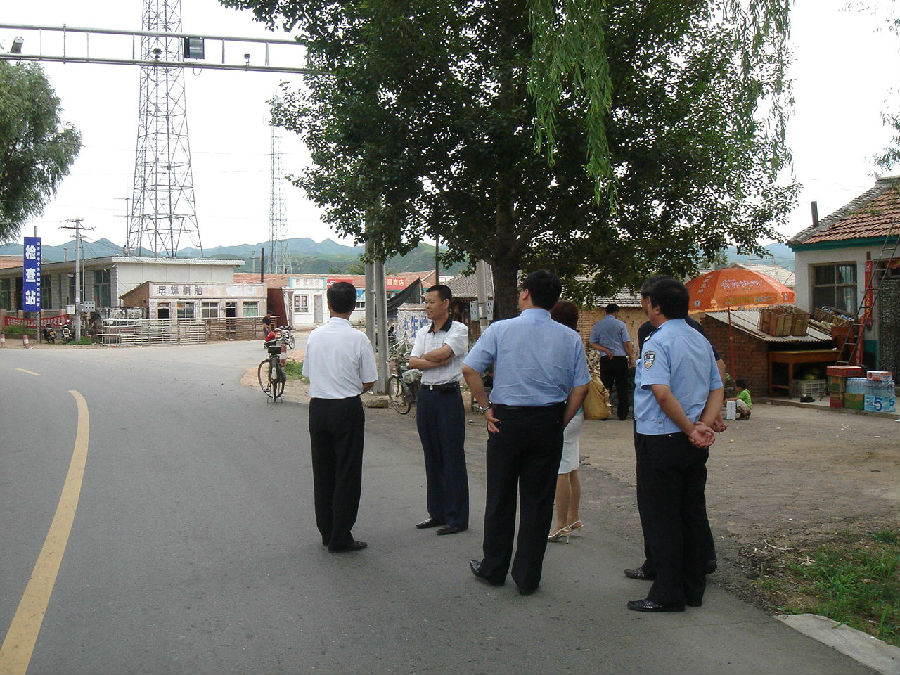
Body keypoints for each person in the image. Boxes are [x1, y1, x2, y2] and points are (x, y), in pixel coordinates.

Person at [462, 270, 590, 595]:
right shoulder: (569, 337)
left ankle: (494, 568)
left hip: (506, 421)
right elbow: (581, 386)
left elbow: (470, 368)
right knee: (538, 501)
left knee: (500, 497)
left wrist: (485, 406)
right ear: (555, 301)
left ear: (525, 293)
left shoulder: (500, 329)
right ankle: (528, 576)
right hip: (548, 421)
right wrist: (562, 419)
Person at [627, 278, 723, 612]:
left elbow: (661, 393)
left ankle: (667, 593)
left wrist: (690, 428)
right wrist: (702, 426)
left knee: (663, 516)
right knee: (690, 512)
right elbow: (717, 387)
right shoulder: (699, 339)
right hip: (692, 442)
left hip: (662, 437)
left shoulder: (657, 342)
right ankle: (693, 588)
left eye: (647, 301)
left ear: (655, 305)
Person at [301, 282, 378, 553]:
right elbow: (369, 379)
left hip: (319, 408)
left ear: (329, 304)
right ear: (354, 306)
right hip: (346, 408)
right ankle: (341, 534)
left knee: (323, 471)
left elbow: (308, 372)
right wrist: (351, 387)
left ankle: (326, 530)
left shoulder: (315, 336)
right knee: (347, 472)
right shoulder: (358, 339)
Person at [408, 284, 470, 535]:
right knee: (431, 455)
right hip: (426, 397)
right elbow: (413, 361)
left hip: (448, 397)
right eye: (426, 302)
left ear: (446, 303)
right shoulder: (423, 332)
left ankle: (457, 518)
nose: (427, 306)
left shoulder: (459, 329)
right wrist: (436, 360)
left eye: (432, 302)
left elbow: (446, 352)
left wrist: (429, 358)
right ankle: (437, 512)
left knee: (452, 456)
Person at [548, 300, 585, 543]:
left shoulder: (561, 341)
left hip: (564, 409)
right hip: (577, 411)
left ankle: (561, 523)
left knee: (561, 469)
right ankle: (573, 517)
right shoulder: (576, 340)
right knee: (571, 467)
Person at [589, 303, 634, 420]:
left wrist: (604, 349)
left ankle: (603, 411)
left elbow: (592, 342)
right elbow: (626, 343)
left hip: (605, 359)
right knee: (622, 387)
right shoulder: (621, 325)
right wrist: (631, 358)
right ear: (616, 312)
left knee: (605, 386)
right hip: (620, 358)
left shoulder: (598, 325)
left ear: (605, 312)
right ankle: (622, 414)